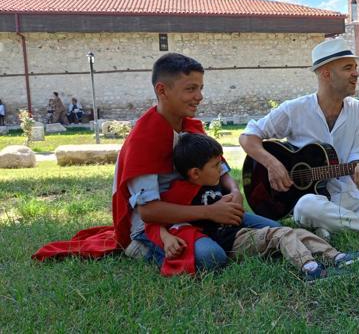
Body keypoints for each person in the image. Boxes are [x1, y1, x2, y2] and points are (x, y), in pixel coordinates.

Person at [33, 53, 280, 266]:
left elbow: (221, 169)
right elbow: (149, 211)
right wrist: (212, 212)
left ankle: (218, 235)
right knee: (211, 259)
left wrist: (234, 191)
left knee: (275, 228)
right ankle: (144, 248)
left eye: (200, 88)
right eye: (190, 89)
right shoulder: (145, 138)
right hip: (157, 226)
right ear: (162, 90)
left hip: (203, 208)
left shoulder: (190, 126)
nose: (199, 96)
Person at [240, 38, 359, 238]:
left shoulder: (358, 110)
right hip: (314, 201)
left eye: (356, 67)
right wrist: (272, 164)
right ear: (326, 74)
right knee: (306, 206)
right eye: (348, 68)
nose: (356, 73)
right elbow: (247, 137)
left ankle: (332, 226)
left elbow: (357, 161)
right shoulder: (294, 109)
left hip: (351, 198)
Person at [148, 133, 359, 280]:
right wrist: (166, 237)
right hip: (229, 243)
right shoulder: (178, 194)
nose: (221, 170)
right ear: (195, 173)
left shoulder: (213, 183)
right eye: (215, 166)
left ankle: (338, 257)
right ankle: (310, 269)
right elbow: (158, 220)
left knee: (297, 232)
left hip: (239, 230)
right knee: (280, 234)